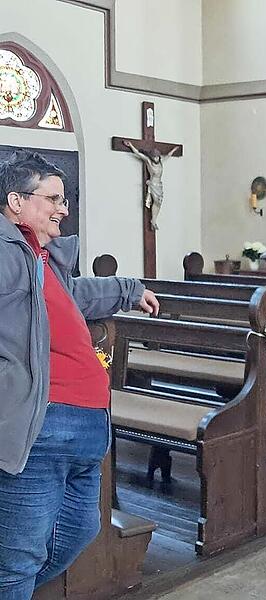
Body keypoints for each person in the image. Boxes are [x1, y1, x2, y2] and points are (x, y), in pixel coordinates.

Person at [0, 150, 159, 599]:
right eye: (52, 198)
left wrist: (130, 289)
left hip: (89, 426)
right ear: (16, 202)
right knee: (19, 557)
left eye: (64, 199)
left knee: (78, 532)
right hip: (41, 424)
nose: (62, 209)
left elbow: (74, 295)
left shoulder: (42, 258)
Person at [123, 140, 178, 230]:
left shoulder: (160, 162)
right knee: (156, 202)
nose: (156, 158)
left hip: (159, 185)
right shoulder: (148, 162)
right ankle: (153, 221)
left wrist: (174, 150)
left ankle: (153, 221)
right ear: (152, 157)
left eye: (157, 156)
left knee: (158, 203)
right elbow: (138, 153)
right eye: (155, 157)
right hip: (153, 184)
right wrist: (131, 145)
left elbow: (168, 155)